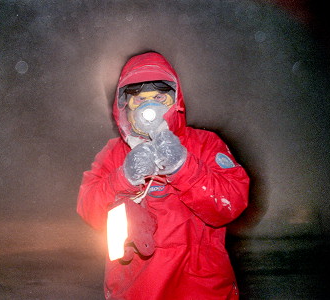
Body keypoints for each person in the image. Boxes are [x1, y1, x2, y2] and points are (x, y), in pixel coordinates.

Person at [77, 52, 249, 299]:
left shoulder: (205, 145)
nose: (150, 108)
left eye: (159, 97)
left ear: (175, 100)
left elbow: (231, 203)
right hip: (135, 290)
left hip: (201, 290)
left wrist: (183, 165)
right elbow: (89, 208)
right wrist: (124, 176)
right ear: (125, 105)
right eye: (139, 99)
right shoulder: (113, 153)